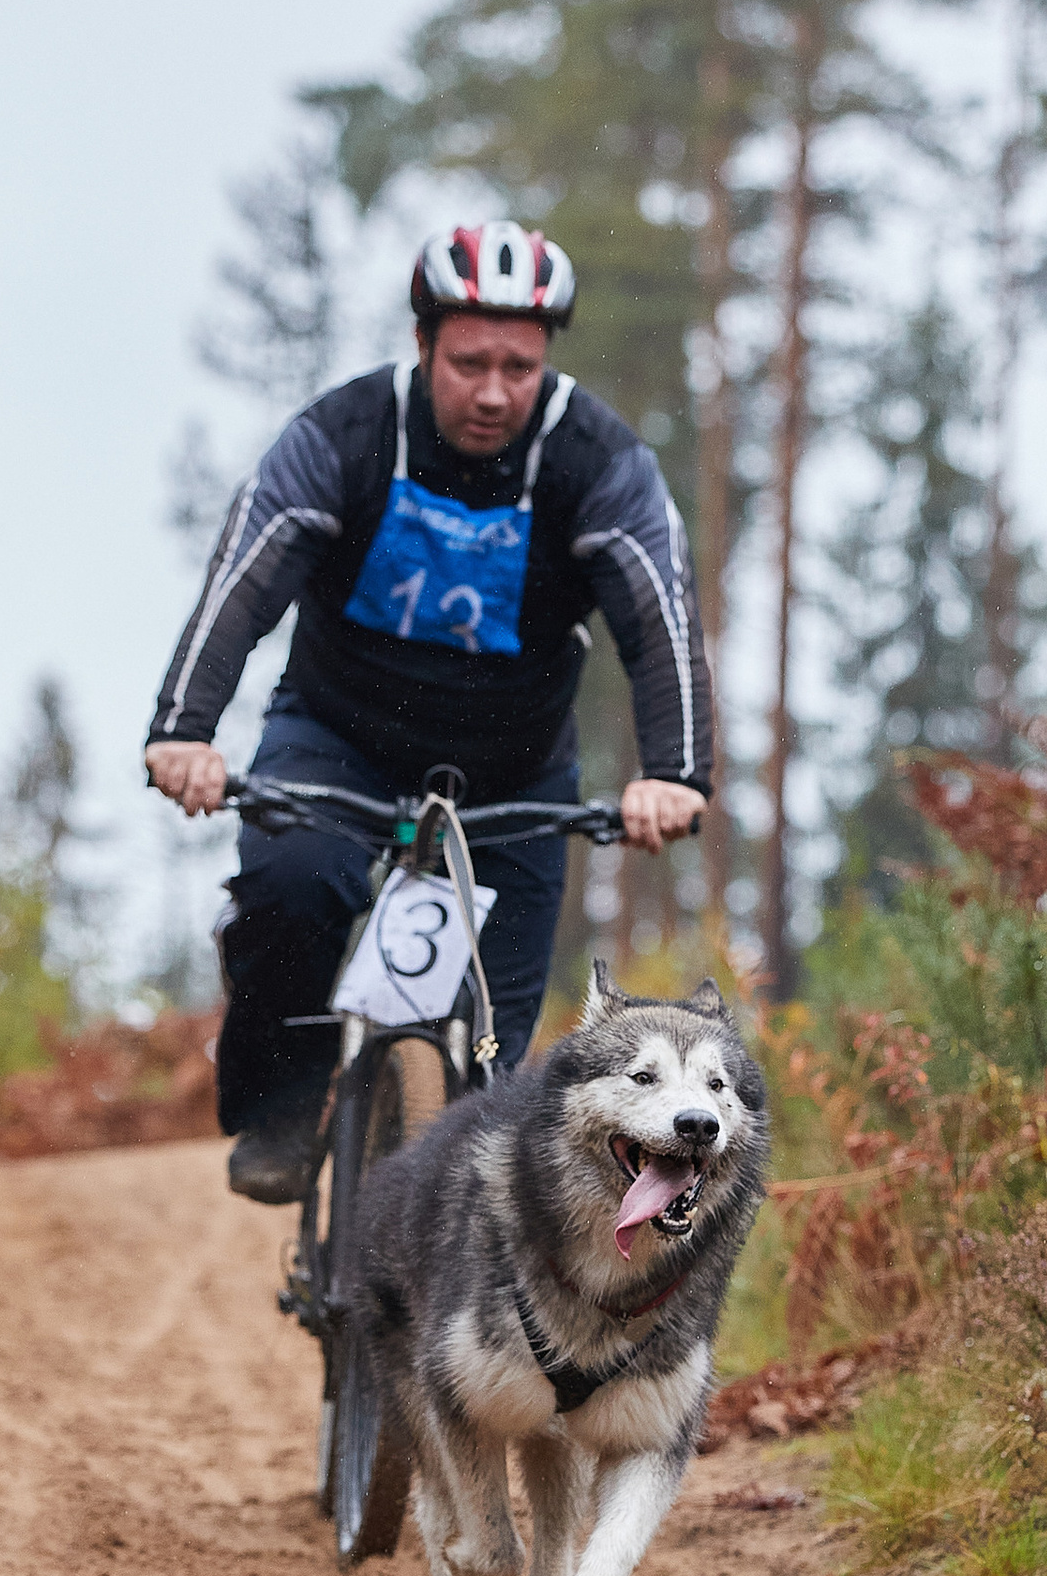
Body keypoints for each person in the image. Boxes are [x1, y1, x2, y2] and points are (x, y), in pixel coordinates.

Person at [146, 220, 714, 1202]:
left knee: (489, 1075)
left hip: (514, 769)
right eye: (468, 363)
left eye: (518, 366)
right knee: (293, 876)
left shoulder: (594, 458)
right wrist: (184, 729)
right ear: (421, 345)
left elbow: (657, 608)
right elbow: (248, 573)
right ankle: (285, 1101)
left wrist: (674, 770)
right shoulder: (343, 435)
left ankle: (427, 1291)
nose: (493, 391)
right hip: (337, 737)